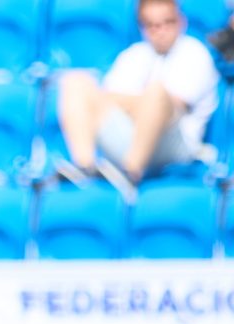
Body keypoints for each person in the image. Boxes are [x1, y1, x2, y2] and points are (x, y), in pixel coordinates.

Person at [57, 0, 219, 186]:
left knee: (156, 93)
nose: (161, 31)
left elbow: (172, 105)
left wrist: (131, 103)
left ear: (181, 22)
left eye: (168, 22)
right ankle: (85, 168)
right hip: (130, 134)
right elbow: (113, 101)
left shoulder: (195, 53)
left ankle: (131, 173)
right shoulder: (134, 55)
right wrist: (137, 104)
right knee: (76, 81)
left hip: (176, 145)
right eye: (152, 25)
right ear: (142, 27)